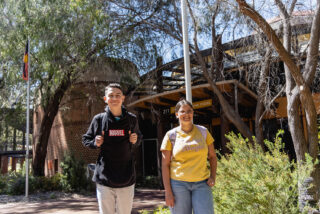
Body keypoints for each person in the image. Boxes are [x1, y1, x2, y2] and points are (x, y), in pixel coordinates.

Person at [82, 83, 142, 214]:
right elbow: (86, 139)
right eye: (111, 95)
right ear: (105, 99)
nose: (114, 98)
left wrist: (135, 139)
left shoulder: (132, 120)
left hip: (126, 178)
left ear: (123, 98)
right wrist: (95, 143)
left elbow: (139, 138)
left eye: (117, 95)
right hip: (104, 178)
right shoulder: (99, 119)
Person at [161, 99, 217, 214]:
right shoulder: (170, 135)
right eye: (182, 112)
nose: (186, 114)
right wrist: (168, 192)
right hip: (178, 185)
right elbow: (165, 165)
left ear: (193, 113)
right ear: (177, 114)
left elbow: (212, 156)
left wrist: (213, 177)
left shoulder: (203, 132)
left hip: (202, 183)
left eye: (189, 111)